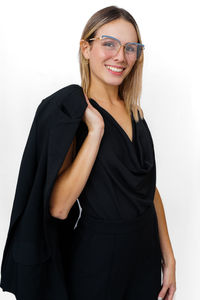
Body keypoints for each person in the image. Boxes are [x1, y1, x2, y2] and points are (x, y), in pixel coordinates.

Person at [49, 5, 176, 300]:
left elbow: (148, 189)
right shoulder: (72, 115)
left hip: (144, 256)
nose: (121, 56)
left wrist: (168, 258)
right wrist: (95, 131)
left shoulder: (135, 111)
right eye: (109, 44)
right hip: (99, 259)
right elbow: (59, 207)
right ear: (86, 48)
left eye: (130, 48)